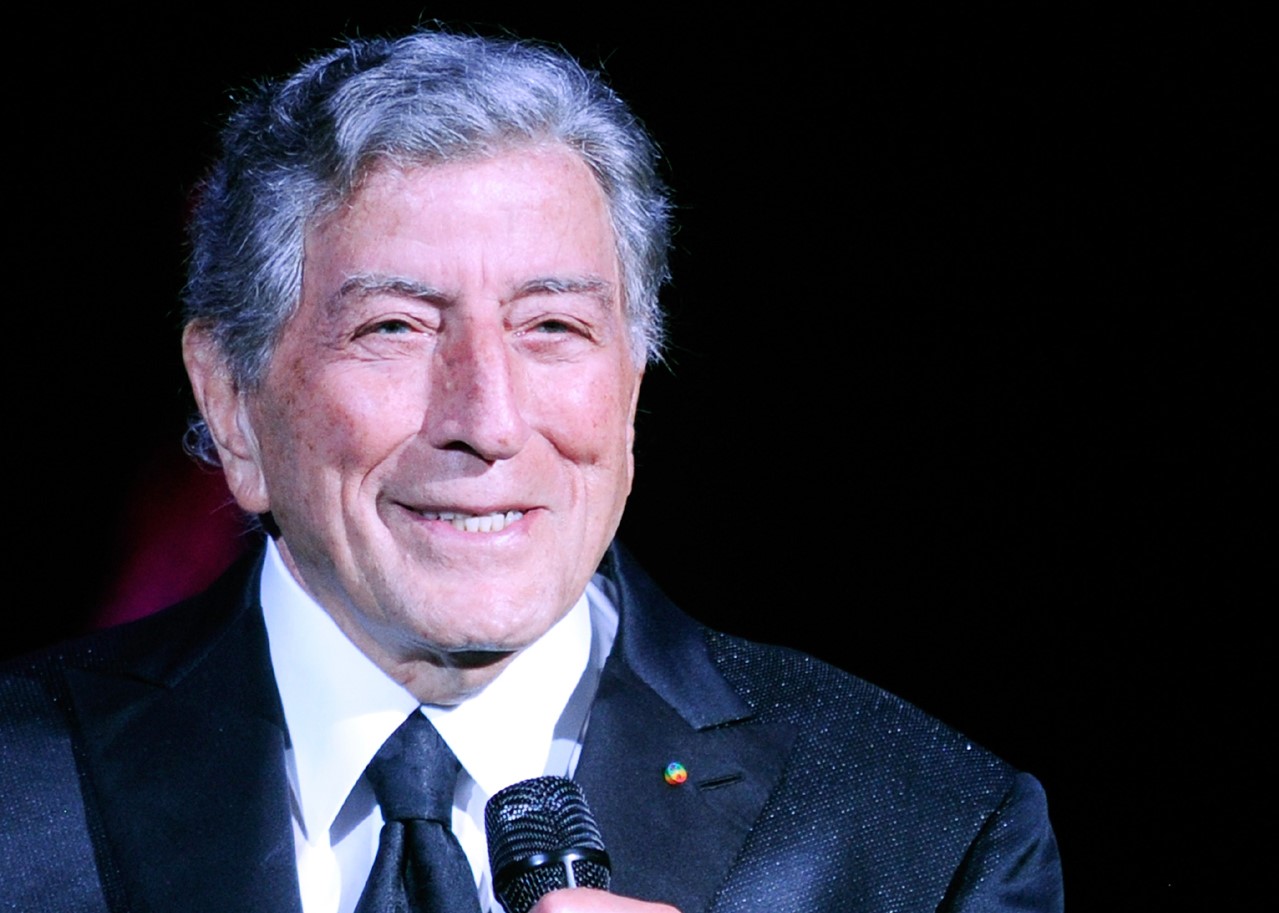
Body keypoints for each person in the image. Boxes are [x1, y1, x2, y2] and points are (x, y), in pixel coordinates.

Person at [0, 29, 1063, 913]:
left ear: (632, 384)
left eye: (552, 326)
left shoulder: (930, 836)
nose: (489, 422)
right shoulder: (20, 792)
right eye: (394, 328)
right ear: (232, 402)